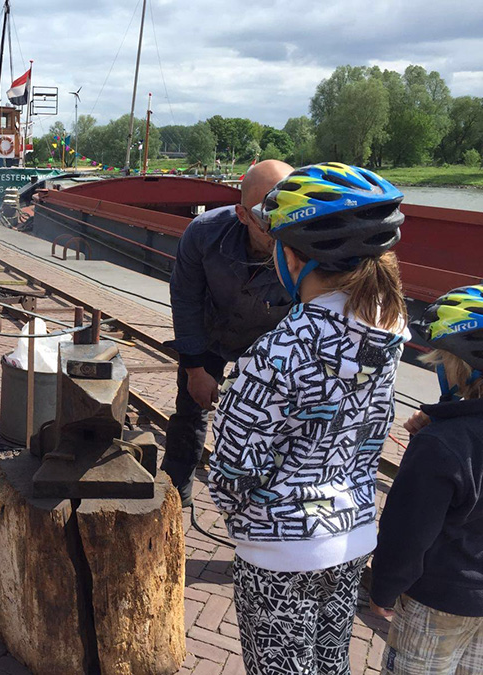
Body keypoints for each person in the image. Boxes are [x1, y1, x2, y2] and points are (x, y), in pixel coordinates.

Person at [209, 162, 410, 674]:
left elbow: (232, 472)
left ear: (292, 255)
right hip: (352, 533)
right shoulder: (387, 330)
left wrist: (253, 517)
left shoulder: (281, 347)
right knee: (328, 663)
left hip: (281, 551)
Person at [165, 160, 293, 506]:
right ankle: (176, 490)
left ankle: (255, 504)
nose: (279, 231)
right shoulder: (203, 233)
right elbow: (186, 298)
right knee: (191, 409)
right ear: (242, 213)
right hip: (209, 330)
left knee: (262, 425)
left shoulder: (304, 243)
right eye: (267, 220)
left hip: (267, 345)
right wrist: (195, 369)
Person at [369, 285, 483, 675]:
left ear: (463, 365)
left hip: (438, 600)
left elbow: (408, 532)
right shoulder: (445, 437)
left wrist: (383, 588)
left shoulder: (442, 445)